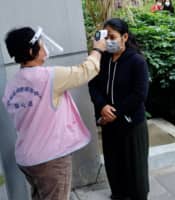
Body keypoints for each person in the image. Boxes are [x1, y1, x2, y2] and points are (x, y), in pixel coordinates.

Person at [2, 26, 106, 200]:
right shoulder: (50, 77)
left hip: (26, 158)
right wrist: (97, 49)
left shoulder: (12, 85)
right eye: (42, 44)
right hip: (50, 160)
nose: (45, 48)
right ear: (30, 51)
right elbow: (86, 71)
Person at [88, 18, 149, 200]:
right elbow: (93, 85)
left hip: (132, 125)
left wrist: (113, 112)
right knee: (114, 165)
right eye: (105, 37)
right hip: (109, 124)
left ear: (124, 37)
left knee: (135, 168)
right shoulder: (103, 59)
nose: (108, 41)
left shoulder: (137, 61)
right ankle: (118, 194)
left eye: (112, 37)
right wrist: (102, 106)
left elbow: (139, 95)